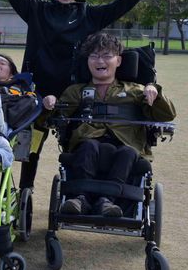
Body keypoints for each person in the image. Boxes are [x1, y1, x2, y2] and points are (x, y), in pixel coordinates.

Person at [0, 0, 163, 190]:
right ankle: (26, 192)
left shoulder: (89, 16)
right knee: (31, 149)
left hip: (75, 96)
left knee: (80, 146)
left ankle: (78, 195)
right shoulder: (37, 10)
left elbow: (121, 5)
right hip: (37, 94)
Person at [43, 32, 176, 216]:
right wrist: (49, 105)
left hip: (126, 144)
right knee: (89, 145)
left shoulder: (136, 91)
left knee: (128, 152)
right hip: (86, 142)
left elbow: (167, 115)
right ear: (87, 61)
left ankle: (107, 202)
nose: (100, 61)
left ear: (118, 61)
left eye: (107, 55)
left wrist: (155, 92)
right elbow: (53, 119)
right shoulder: (76, 91)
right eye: (94, 56)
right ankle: (80, 199)